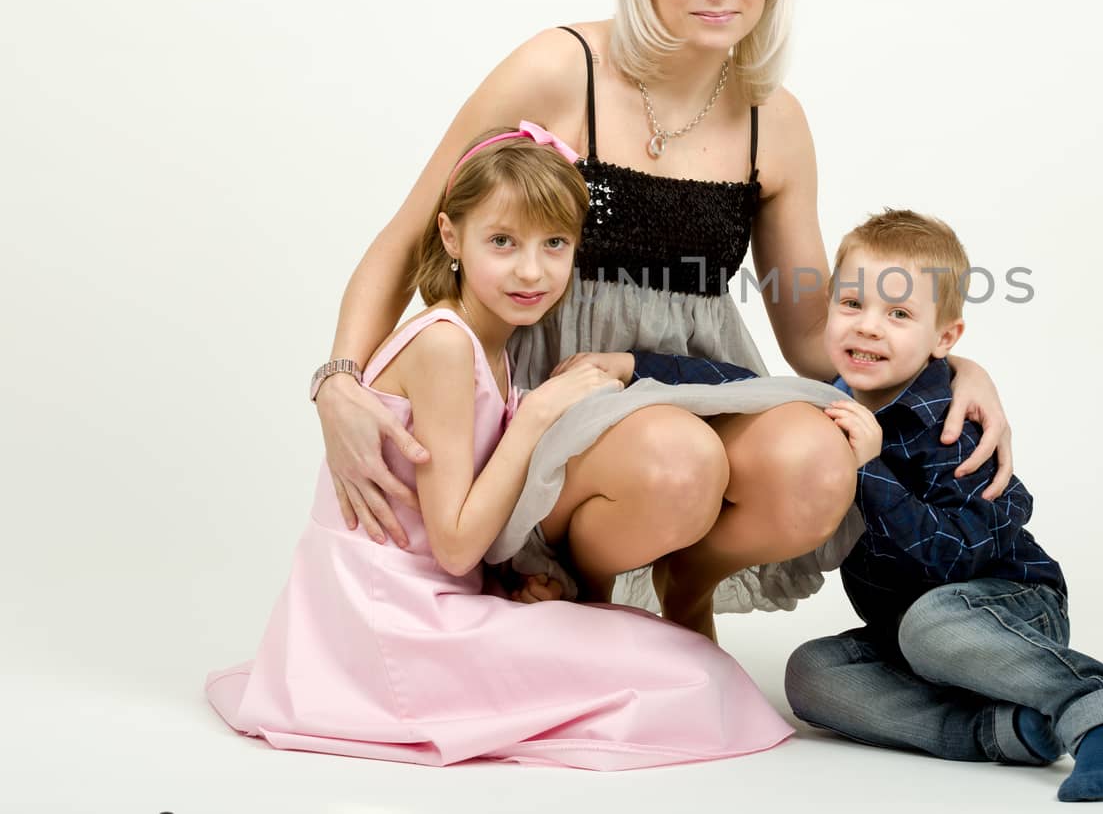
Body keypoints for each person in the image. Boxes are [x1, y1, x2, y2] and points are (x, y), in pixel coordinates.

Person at [308, 0, 1018, 641]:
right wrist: (338, 381)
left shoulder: (774, 123)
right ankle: (578, 587)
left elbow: (812, 335)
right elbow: (408, 236)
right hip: (566, 393)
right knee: (679, 458)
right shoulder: (559, 68)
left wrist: (952, 365)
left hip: (702, 386)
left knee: (821, 461)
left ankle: (693, 579)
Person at [206, 125, 793, 768]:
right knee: (691, 677)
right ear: (451, 237)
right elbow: (454, 542)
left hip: (421, 605)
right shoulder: (445, 345)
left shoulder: (491, 342)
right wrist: (536, 414)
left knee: (682, 664)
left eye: (554, 245)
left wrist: (512, 581)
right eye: (502, 243)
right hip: (394, 625)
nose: (531, 270)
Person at [778, 210, 1103, 802]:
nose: (869, 328)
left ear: (945, 338)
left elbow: (950, 561)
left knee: (933, 624)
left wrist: (870, 471)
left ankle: (1094, 705)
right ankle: (1005, 731)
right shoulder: (828, 406)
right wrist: (634, 368)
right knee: (811, 674)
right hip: (909, 634)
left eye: (899, 314)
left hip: (1006, 607)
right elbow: (733, 383)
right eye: (852, 304)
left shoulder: (955, 425)